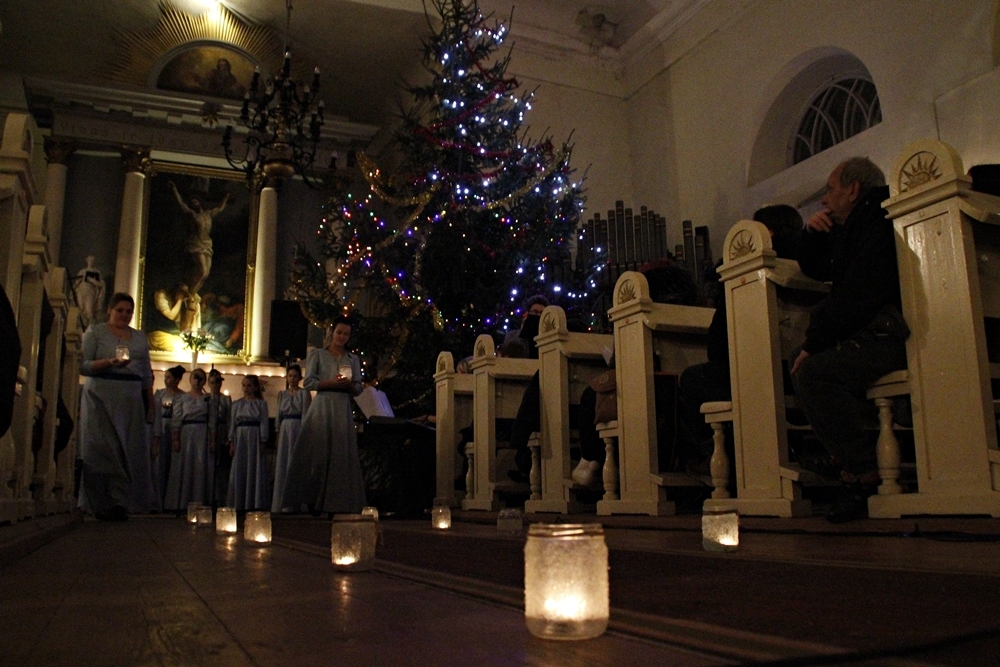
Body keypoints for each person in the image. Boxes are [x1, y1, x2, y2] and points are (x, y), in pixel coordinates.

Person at [791, 157, 907, 523]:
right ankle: (841, 451)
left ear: (853, 190)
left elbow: (858, 295)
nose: (824, 200)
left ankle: (860, 471)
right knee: (796, 363)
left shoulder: (877, 221)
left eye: (830, 189)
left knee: (812, 372)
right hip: (873, 329)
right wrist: (813, 234)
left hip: (891, 335)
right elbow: (817, 267)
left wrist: (815, 343)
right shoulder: (855, 224)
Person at [676, 204, 803, 477]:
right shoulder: (810, 263)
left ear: (764, 233)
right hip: (801, 368)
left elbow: (719, 346)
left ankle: (709, 457)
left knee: (693, 379)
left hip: (761, 372)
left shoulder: (746, 268)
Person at [77, 292, 154, 521]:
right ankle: (100, 502)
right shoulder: (96, 332)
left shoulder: (140, 338)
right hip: (101, 394)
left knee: (127, 450)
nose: (124, 315)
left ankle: (122, 501)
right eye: (120, 310)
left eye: (129, 311)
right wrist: (108, 362)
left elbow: (146, 374)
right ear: (110, 310)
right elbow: (83, 365)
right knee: (101, 448)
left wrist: (150, 402)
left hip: (130, 398)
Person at [281, 317, 366, 515]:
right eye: (339, 333)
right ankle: (312, 500)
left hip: (342, 407)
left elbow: (359, 387)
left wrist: (349, 386)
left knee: (339, 454)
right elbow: (309, 382)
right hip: (323, 405)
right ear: (332, 332)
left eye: (346, 334)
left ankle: (337, 503)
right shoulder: (318, 355)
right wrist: (331, 383)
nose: (342, 337)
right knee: (318, 452)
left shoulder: (352, 359)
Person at [168, 181, 230, 295]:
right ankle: (189, 294)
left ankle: (192, 294)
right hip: (196, 243)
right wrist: (174, 189)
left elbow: (220, 208)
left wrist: (225, 198)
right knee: (202, 271)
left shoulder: (208, 213)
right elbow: (181, 203)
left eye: (195, 201)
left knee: (206, 274)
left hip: (207, 243)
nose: (194, 203)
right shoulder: (192, 214)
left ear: (200, 202)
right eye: (192, 202)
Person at [164, 368, 214, 511]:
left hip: (202, 435)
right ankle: (181, 502)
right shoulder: (182, 398)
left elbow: (212, 422)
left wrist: (212, 440)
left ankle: (200, 501)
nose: (197, 381)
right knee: (185, 466)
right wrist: (175, 439)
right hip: (187, 434)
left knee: (200, 466)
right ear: (190, 379)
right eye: (195, 378)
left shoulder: (208, 399)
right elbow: (176, 419)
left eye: (201, 378)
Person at [271, 364, 312, 513]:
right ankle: (281, 503)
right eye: (290, 376)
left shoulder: (303, 394)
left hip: (297, 428)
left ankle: (297, 502)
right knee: (283, 463)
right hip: (285, 429)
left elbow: (305, 415)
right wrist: (277, 434)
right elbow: (278, 416)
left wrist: (303, 434)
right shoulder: (282, 394)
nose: (292, 379)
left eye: (295, 376)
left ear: (299, 378)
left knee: (295, 462)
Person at [227, 375, 270, 510]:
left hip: (254, 436)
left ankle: (253, 501)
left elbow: (264, 422)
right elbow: (233, 423)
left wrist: (263, 440)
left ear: (255, 387)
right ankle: (239, 501)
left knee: (254, 466)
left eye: (249, 385)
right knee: (240, 466)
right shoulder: (237, 404)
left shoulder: (261, 404)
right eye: (244, 385)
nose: (246, 388)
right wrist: (232, 441)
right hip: (241, 437)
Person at [152, 365, 186, 509]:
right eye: (165, 377)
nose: (166, 380)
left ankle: (171, 499)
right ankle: (157, 499)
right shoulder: (159, 394)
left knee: (173, 464)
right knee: (160, 464)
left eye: (169, 377)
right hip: (161, 426)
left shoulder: (182, 396)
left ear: (177, 380)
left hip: (175, 429)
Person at [207, 369, 232, 505]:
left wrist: (228, 436)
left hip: (222, 430)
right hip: (209, 432)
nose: (216, 385)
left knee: (222, 465)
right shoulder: (206, 399)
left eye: (218, 383)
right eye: (213, 382)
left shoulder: (225, 399)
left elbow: (229, 418)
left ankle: (221, 495)